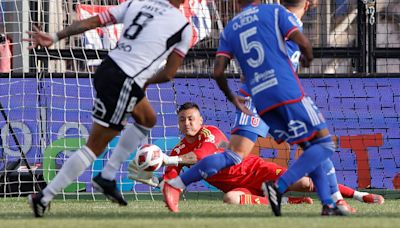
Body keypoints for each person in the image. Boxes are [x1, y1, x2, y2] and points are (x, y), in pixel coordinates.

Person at [162, 0, 341, 216]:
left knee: (236, 154)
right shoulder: (274, 13)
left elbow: (218, 72)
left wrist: (233, 98)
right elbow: (302, 43)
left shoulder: (232, 27)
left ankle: (329, 204)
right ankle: (287, 189)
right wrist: (307, 56)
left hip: (254, 96)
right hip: (285, 91)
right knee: (322, 144)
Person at [23, 0, 192, 217]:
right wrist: (144, 81)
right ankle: (45, 196)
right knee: (95, 146)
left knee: (147, 119)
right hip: (124, 80)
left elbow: (92, 22)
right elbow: (169, 73)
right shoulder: (183, 27)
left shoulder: (136, 4)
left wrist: (55, 36)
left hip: (108, 69)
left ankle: (107, 176)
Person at [128, 102, 383, 208]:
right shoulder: (177, 150)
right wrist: (158, 179)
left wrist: (168, 160)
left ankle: (360, 195)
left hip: (256, 171)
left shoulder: (210, 133)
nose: (187, 123)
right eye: (182, 120)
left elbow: (203, 157)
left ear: (200, 120)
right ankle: (287, 203)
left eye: (191, 118)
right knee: (230, 199)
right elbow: (171, 179)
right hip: (239, 187)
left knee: (306, 183)